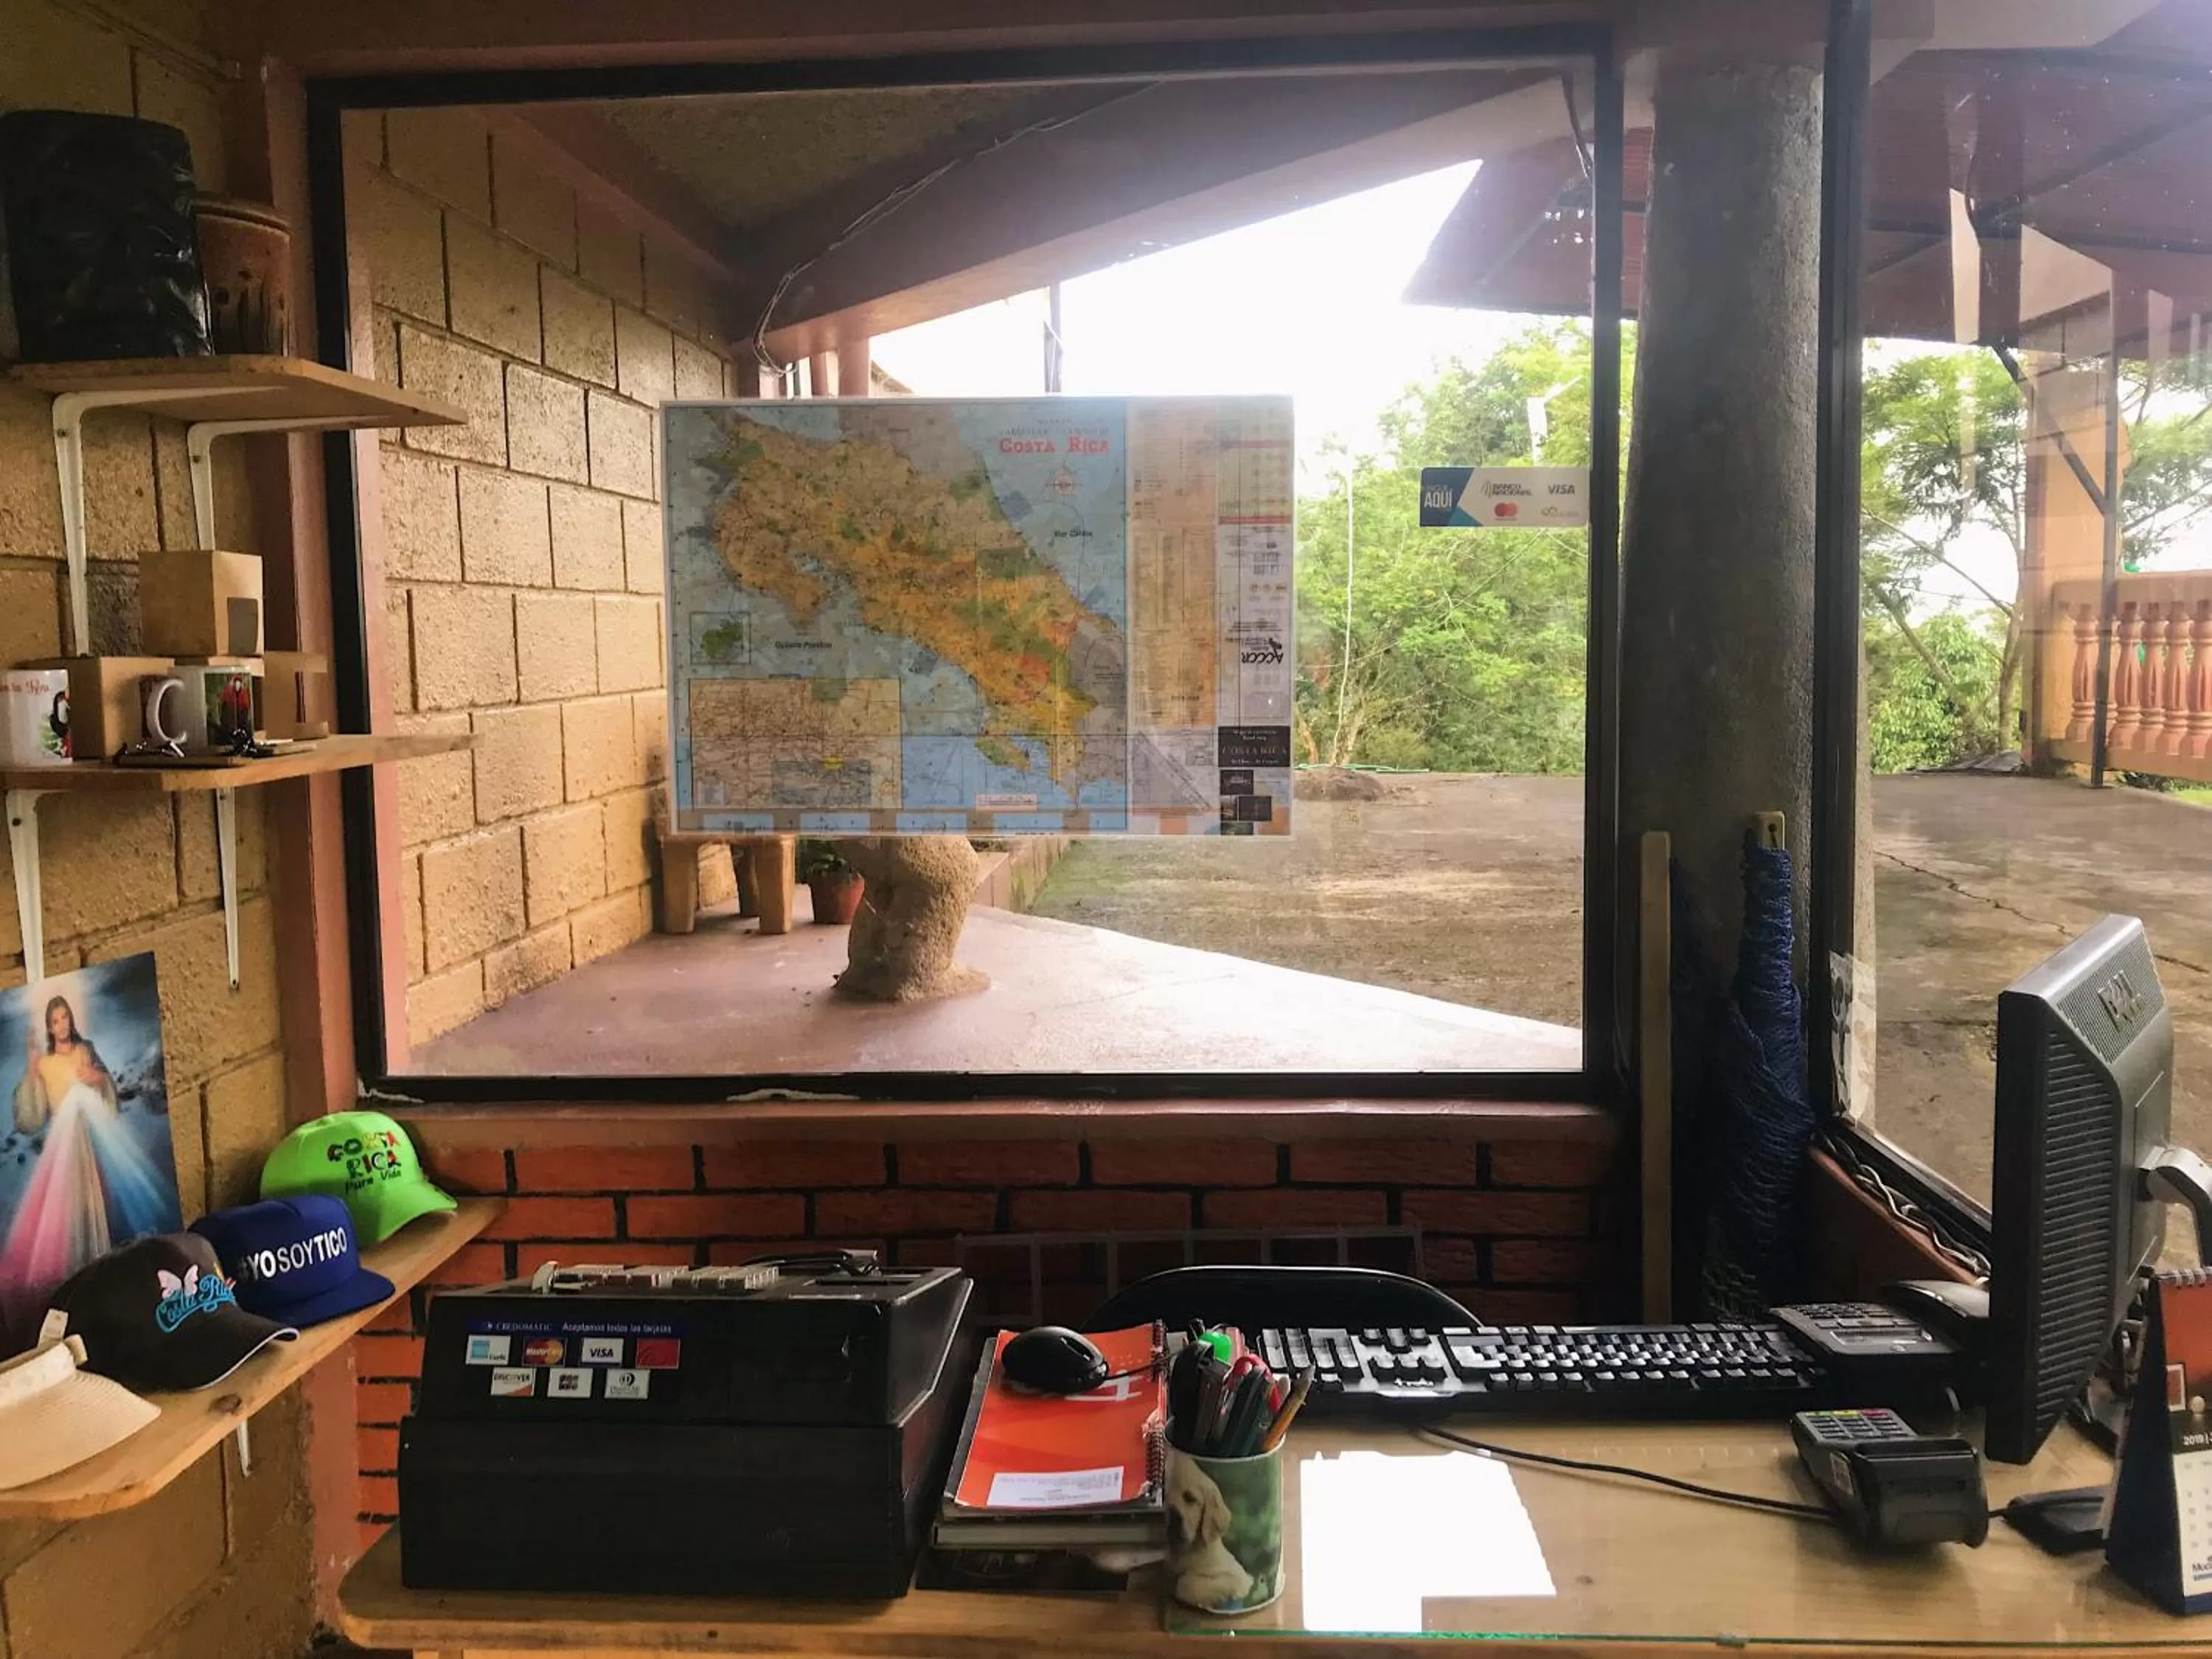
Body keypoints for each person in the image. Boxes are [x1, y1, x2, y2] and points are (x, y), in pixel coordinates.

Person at [0, 995, 175, 1340]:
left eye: (65, 1018)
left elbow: (108, 1096)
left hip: (94, 1140)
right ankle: (78, 1290)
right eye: (55, 1021)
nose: (61, 1025)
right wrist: (32, 1068)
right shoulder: (46, 1064)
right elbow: (30, 1119)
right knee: (69, 1211)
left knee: (102, 1203)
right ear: (49, 1027)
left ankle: (109, 1279)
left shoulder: (85, 1051)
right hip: (64, 1148)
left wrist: (96, 1078)